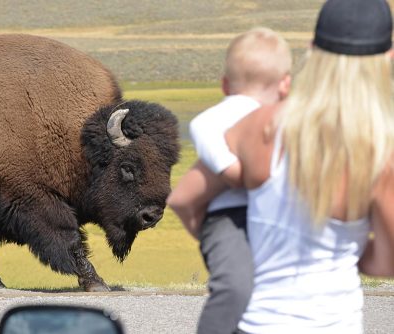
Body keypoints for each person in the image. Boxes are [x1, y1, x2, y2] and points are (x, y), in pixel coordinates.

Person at [181, 0, 394, 332]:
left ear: (313, 51)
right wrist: (347, 246)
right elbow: (385, 261)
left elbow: (188, 197)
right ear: (388, 57)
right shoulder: (382, 150)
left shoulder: (259, 125)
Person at [167, 28, 292, 334]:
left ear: (224, 83)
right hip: (230, 216)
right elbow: (234, 172)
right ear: (286, 84)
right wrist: (240, 174)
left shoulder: (213, 118)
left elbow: (202, 132)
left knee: (245, 289)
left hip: (244, 218)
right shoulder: (224, 118)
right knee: (235, 287)